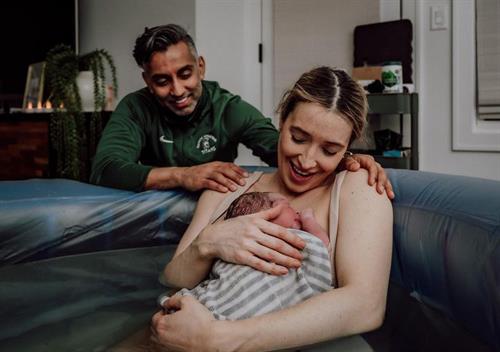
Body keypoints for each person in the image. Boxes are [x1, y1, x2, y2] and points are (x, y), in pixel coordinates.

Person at [148, 66, 393, 351]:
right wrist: (209, 242)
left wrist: (220, 338)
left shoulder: (357, 187)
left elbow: (366, 305)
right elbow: (172, 278)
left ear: (347, 148)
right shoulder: (229, 188)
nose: (307, 160)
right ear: (282, 120)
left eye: (329, 150)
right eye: (298, 138)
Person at [89, 24, 394, 199]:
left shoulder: (228, 109)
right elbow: (105, 169)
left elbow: (283, 151)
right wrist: (184, 176)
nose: (178, 90)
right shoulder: (135, 107)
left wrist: (346, 160)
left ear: (200, 67)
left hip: (214, 212)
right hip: (150, 223)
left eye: (185, 74)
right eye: (162, 81)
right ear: (147, 81)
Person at [158, 191, 332, 321]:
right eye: (290, 208)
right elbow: (172, 279)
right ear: (262, 217)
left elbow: (318, 248)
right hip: (208, 305)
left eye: (329, 150)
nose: (298, 213)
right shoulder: (232, 237)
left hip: (231, 324)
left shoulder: (297, 241)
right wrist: (310, 220)